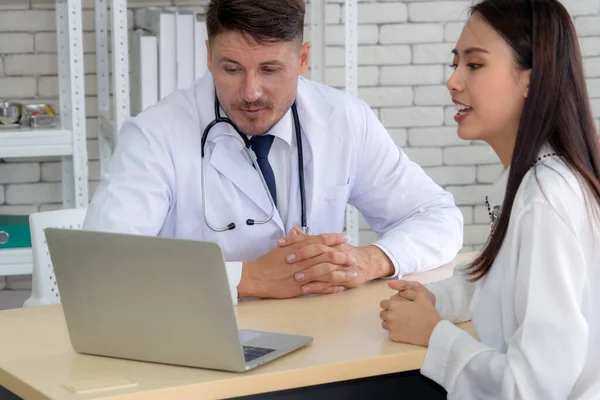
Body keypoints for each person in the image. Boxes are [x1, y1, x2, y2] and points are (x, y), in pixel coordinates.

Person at [84, 0, 463, 302]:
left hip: (318, 336)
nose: (250, 92)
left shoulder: (344, 120)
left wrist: (368, 261)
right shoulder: (155, 135)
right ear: (208, 55)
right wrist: (248, 278)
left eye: (269, 70)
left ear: (302, 60)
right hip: (199, 345)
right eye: (231, 69)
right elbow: (100, 266)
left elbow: (438, 216)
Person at [379, 0, 600, 398]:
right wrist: (436, 298)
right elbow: (497, 282)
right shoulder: (536, 180)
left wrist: (435, 336)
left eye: (475, 65)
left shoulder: (545, 201)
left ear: (531, 79)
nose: (453, 81)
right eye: (455, 63)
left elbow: (531, 389)